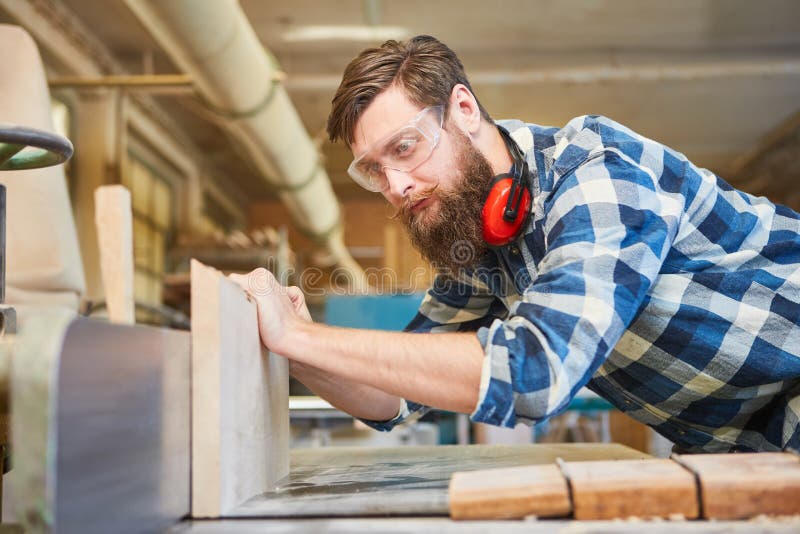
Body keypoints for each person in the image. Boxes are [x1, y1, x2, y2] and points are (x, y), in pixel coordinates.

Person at [229, 35, 800, 453]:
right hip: (739, 446)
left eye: (404, 148)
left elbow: (535, 371)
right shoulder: (478, 240)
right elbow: (394, 401)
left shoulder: (595, 172)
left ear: (464, 109)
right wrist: (296, 347)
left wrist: (304, 335)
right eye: (374, 170)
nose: (396, 186)